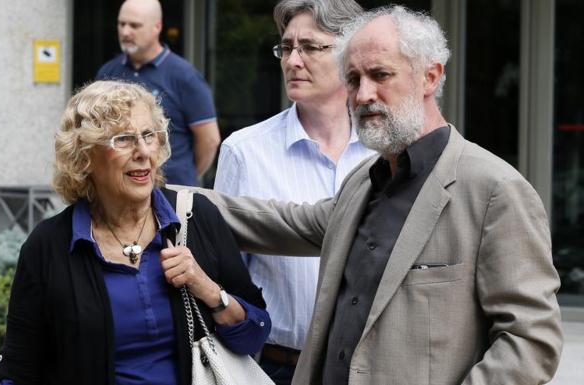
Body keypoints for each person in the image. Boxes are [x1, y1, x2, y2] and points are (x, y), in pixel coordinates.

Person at [170, 5, 563, 385]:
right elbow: (278, 221)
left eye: (380, 74)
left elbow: (530, 341)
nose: (362, 95)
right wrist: (154, 192)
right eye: (354, 79)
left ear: (430, 76)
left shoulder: (495, 190)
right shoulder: (366, 181)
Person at [0, 81, 270, 385]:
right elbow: (18, 369)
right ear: (84, 156)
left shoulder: (195, 218)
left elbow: (255, 335)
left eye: (149, 136)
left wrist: (206, 288)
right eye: (123, 139)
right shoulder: (49, 246)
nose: (142, 152)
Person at [213, 1, 372, 384]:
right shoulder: (245, 152)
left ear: (350, 54)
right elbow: (223, 273)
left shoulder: (385, 151)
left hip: (369, 369)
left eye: (310, 47)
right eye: (286, 48)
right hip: (277, 366)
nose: (292, 61)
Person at [97, 0, 220, 186]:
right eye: (121, 24)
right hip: (122, 190)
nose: (125, 32)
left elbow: (209, 140)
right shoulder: (108, 73)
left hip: (172, 192)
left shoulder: (185, 76)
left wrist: (186, 177)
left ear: (157, 27)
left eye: (134, 25)